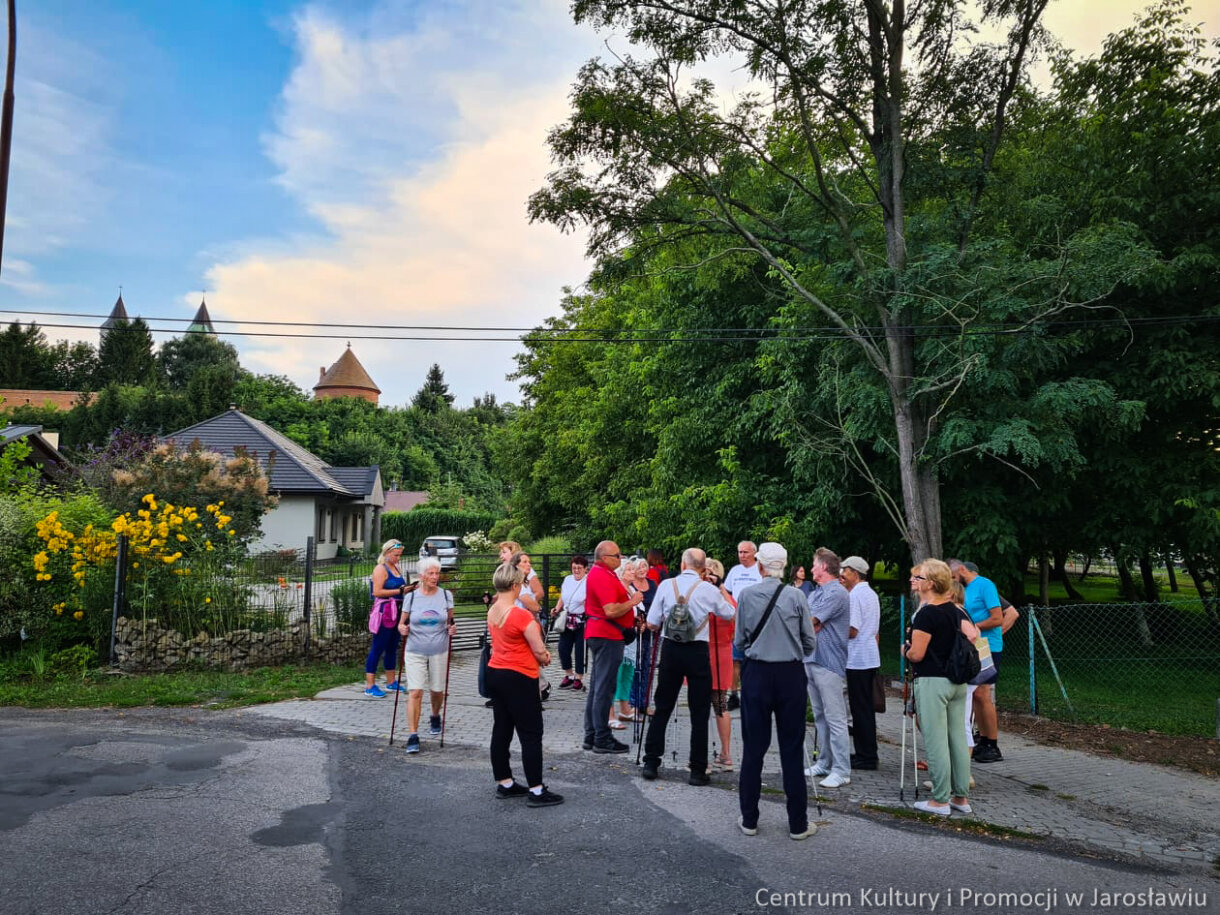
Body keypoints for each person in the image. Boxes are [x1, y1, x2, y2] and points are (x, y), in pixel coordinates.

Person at [734, 542, 817, 840]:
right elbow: (810, 642)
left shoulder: (746, 595)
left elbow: (740, 640)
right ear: (784, 566)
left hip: (757, 672)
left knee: (753, 747)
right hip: (790, 673)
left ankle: (749, 819)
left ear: (759, 565)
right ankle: (798, 823)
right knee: (792, 748)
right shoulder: (796, 596)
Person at [640, 548, 736, 784]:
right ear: (703, 568)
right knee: (699, 711)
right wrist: (719, 587)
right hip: (698, 651)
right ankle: (697, 769)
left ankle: (651, 762)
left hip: (671, 649)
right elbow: (729, 612)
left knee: (663, 705)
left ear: (683, 564)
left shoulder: (665, 585)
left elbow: (652, 622)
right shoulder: (707, 589)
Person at [902, 560, 980, 816]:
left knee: (936, 741)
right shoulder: (954, 610)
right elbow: (972, 635)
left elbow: (916, 654)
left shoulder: (927, 614)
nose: (916, 580)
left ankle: (940, 800)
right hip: (957, 682)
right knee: (957, 738)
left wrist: (905, 649)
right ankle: (961, 796)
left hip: (933, 682)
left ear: (931, 584)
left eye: (920, 577)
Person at [485, 561, 563, 807]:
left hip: (496, 672)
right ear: (516, 585)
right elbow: (539, 649)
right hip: (520, 676)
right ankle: (537, 790)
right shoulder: (520, 615)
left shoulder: (493, 610)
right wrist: (546, 657)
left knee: (502, 729)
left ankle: (505, 782)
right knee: (531, 734)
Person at [582, 541, 643, 754]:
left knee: (599, 687)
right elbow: (610, 610)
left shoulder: (604, 574)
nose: (620, 558)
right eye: (617, 555)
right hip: (606, 635)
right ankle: (602, 738)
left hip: (606, 633)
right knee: (604, 688)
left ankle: (592, 735)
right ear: (605, 557)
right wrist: (633, 602)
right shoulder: (600, 575)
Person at [396, 557, 456, 755]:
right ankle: (413, 735)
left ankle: (435, 715)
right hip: (414, 650)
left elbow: (450, 620)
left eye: (437, 573)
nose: (434, 577)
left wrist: (452, 628)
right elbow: (401, 623)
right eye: (430, 573)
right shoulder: (411, 597)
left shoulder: (446, 596)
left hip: (439, 649)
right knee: (415, 692)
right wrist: (402, 628)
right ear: (421, 576)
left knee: (437, 690)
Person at [804, 548, 852, 788]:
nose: (811, 568)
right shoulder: (815, 593)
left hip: (829, 661)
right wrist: (810, 623)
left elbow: (810, 621)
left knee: (835, 717)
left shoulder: (837, 593)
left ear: (823, 567)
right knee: (820, 715)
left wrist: (811, 623)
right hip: (811, 658)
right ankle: (824, 762)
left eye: (814, 564)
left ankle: (842, 770)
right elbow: (806, 622)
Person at [948, 559, 1004, 762]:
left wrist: (971, 626)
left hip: (987, 646)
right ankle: (983, 739)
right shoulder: (967, 589)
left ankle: (992, 744)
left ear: (962, 570)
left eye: (954, 576)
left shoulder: (984, 585)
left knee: (983, 694)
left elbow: (997, 618)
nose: (953, 581)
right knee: (975, 695)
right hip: (971, 646)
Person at [842, 555, 881, 770]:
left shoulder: (855, 595)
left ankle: (865, 755)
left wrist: (835, 633)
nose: (842, 575)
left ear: (855, 574)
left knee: (860, 708)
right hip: (868, 655)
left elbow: (852, 629)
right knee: (864, 708)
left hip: (857, 658)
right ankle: (867, 752)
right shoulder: (870, 593)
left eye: (845, 571)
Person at [364, 540, 414, 698]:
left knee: (392, 647)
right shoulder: (380, 569)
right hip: (385, 611)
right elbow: (377, 592)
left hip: (398, 611)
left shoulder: (396, 568)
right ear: (386, 553)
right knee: (378, 647)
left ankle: (391, 682)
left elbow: (399, 590)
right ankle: (370, 685)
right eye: (395, 555)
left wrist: (409, 589)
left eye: (399, 555)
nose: (398, 558)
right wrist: (399, 590)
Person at [724, 541, 763, 710]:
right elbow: (725, 591)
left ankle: (752, 693)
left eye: (745, 552)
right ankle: (734, 695)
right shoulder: (735, 571)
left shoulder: (760, 570)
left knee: (753, 659)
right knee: (735, 659)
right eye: (739, 552)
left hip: (756, 619)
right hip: (737, 619)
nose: (742, 555)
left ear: (754, 553)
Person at [705, 557, 736, 771]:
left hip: (707, 652)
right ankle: (725, 754)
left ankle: (706, 756)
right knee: (720, 705)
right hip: (723, 652)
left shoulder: (706, 596)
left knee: (704, 706)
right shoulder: (728, 598)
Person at [612, 556, 649, 729]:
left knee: (628, 672)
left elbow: (637, 610)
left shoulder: (631, 588)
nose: (633, 572)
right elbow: (616, 610)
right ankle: (609, 712)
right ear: (620, 572)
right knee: (614, 675)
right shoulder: (616, 588)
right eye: (629, 569)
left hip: (632, 637)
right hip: (618, 637)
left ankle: (625, 709)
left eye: (632, 569)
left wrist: (640, 623)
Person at [555, 555, 589, 691]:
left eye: (579, 568)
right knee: (563, 648)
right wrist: (557, 609)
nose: (576, 570)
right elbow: (562, 597)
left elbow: (589, 599)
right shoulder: (567, 579)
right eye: (574, 567)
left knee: (580, 650)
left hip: (582, 620)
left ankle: (579, 678)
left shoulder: (588, 581)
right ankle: (569, 675)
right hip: (567, 619)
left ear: (585, 569)